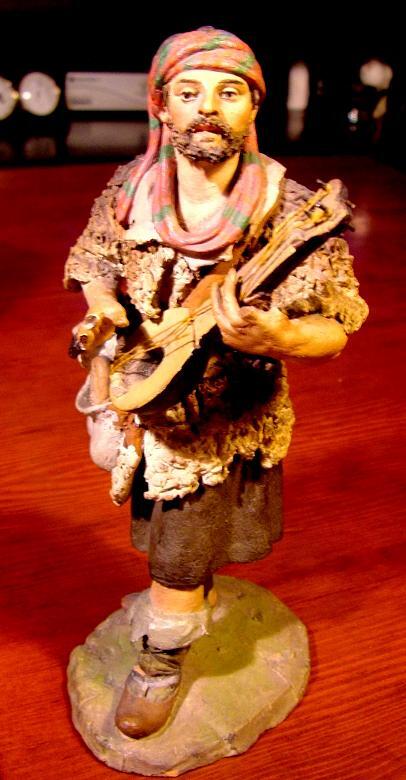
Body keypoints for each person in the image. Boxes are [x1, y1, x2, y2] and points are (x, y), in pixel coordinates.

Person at [64, 27, 368, 739]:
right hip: (147, 392)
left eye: (229, 92)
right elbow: (94, 261)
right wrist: (104, 311)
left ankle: (160, 662)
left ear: (253, 107)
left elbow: (337, 322)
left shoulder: (286, 210)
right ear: (161, 106)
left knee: (180, 545)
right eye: (189, 92)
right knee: (171, 535)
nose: (208, 108)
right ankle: (185, 605)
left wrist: (281, 337)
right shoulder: (132, 188)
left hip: (225, 418)